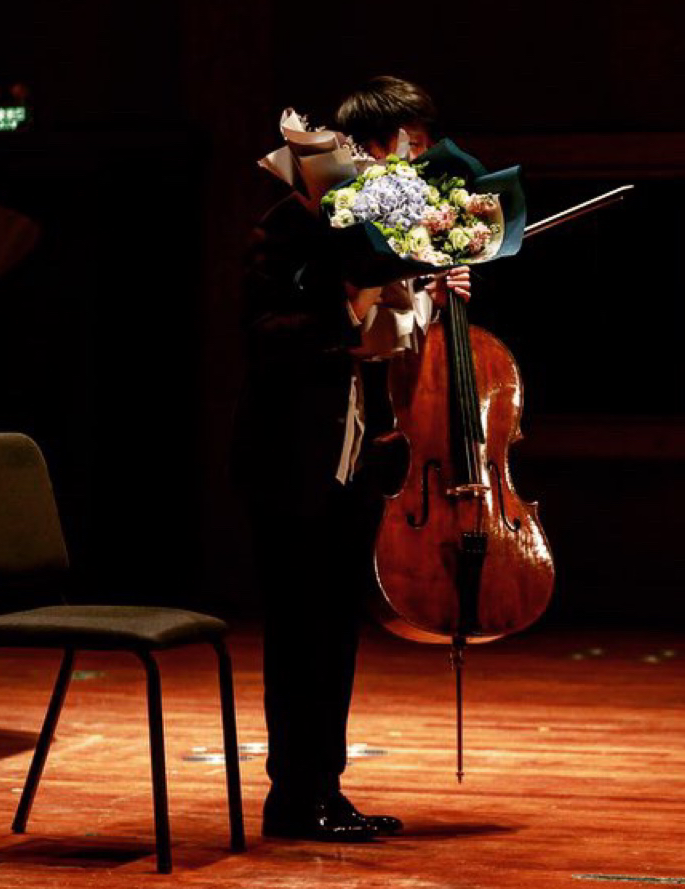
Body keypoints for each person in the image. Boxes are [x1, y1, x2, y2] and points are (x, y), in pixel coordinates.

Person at [233, 76, 470, 841]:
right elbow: (271, 336)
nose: (417, 161)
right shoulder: (287, 225)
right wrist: (357, 303)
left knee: (334, 630)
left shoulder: (373, 231)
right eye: (411, 146)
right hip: (291, 458)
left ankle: (322, 791)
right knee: (299, 631)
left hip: (352, 460)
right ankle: (291, 797)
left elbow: (388, 344)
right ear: (372, 145)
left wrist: (431, 292)